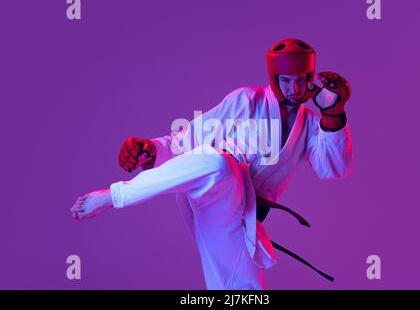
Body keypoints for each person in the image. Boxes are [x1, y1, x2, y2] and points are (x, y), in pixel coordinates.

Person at [71, 38, 353, 289]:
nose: (294, 88)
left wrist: (333, 112)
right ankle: (115, 195)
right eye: (286, 80)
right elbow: (188, 139)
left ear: (311, 78)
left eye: (301, 80)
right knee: (218, 164)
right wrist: (152, 151)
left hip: (241, 216)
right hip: (213, 192)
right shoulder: (246, 101)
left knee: (244, 291)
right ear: (273, 77)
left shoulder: (313, 127)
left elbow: (333, 168)